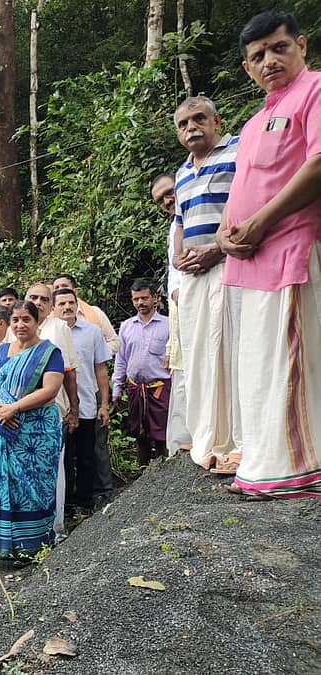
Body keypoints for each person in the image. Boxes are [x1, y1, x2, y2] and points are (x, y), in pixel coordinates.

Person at [218, 10, 320, 499]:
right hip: (249, 259)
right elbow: (242, 188)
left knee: (290, 361)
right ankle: (261, 464)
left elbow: (318, 163)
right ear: (247, 68)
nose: (269, 60)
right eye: (257, 56)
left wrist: (261, 223)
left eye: (279, 48)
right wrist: (224, 233)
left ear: (302, 45)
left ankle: (296, 470)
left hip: (291, 246)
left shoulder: (315, 90)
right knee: (257, 365)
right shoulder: (255, 120)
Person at [172, 94, 243, 474]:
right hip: (194, 274)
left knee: (231, 351)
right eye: (183, 124)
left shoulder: (238, 151)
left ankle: (238, 442)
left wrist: (216, 248)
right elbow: (181, 222)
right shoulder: (183, 171)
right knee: (200, 356)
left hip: (231, 264)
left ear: (217, 121)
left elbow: (248, 203)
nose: (191, 129)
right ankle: (209, 439)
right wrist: (179, 256)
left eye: (198, 119)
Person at [0, 301, 65, 558]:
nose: (20, 325)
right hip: (5, 428)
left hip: (36, 434)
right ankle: (7, 546)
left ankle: (34, 546)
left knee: (35, 487)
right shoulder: (3, 350)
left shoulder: (49, 353)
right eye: (15, 319)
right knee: (7, 485)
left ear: (37, 320)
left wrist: (14, 408)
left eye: (26, 319)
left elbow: (50, 390)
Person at [52, 274, 119, 502]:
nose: (67, 307)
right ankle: (65, 503)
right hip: (58, 408)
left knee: (86, 455)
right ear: (54, 308)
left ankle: (85, 501)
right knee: (62, 457)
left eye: (71, 302)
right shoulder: (48, 333)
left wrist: (104, 405)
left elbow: (100, 370)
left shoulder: (92, 332)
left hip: (87, 404)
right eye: (61, 304)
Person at [23, 283, 80, 533]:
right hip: (20, 413)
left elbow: (70, 374)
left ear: (51, 305)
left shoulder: (58, 329)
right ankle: (27, 526)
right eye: (33, 297)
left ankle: (53, 528)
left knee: (52, 469)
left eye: (44, 299)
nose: (38, 302)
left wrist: (74, 410)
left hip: (51, 411)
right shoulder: (18, 326)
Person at [150, 172, 192, 456]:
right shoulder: (172, 230)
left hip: (211, 294)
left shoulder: (204, 210)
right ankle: (188, 440)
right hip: (184, 308)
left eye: (169, 192)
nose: (167, 200)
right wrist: (177, 294)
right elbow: (174, 272)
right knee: (186, 375)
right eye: (160, 199)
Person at [112, 280, 172, 468]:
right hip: (135, 387)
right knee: (139, 431)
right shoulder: (126, 326)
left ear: (155, 298)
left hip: (160, 387)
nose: (140, 303)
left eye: (144, 298)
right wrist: (117, 387)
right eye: (136, 299)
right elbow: (121, 359)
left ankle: (166, 470)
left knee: (162, 432)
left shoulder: (168, 325)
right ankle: (142, 473)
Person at [52, 274, 120, 353]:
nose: (60, 290)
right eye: (56, 288)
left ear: (75, 291)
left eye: (64, 286)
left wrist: (96, 354)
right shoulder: (47, 318)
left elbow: (114, 342)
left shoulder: (95, 313)